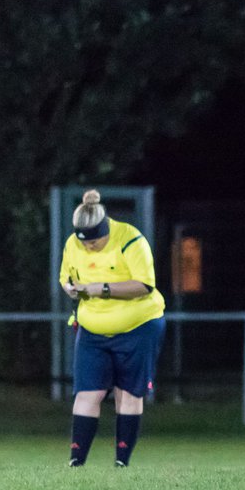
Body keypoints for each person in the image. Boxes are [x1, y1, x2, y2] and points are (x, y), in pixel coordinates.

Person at [59, 190, 166, 468]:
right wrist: (70, 289)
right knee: (87, 393)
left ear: (105, 228)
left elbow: (144, 285)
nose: (90, 247)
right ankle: (76, 462)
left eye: (95, 241)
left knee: (128, 393)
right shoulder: (74, 244)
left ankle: (121, 462)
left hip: (138, 327)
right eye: (85, 242)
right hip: (93, 330)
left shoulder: (130, 240)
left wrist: (100, 289)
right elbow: (66, 277)